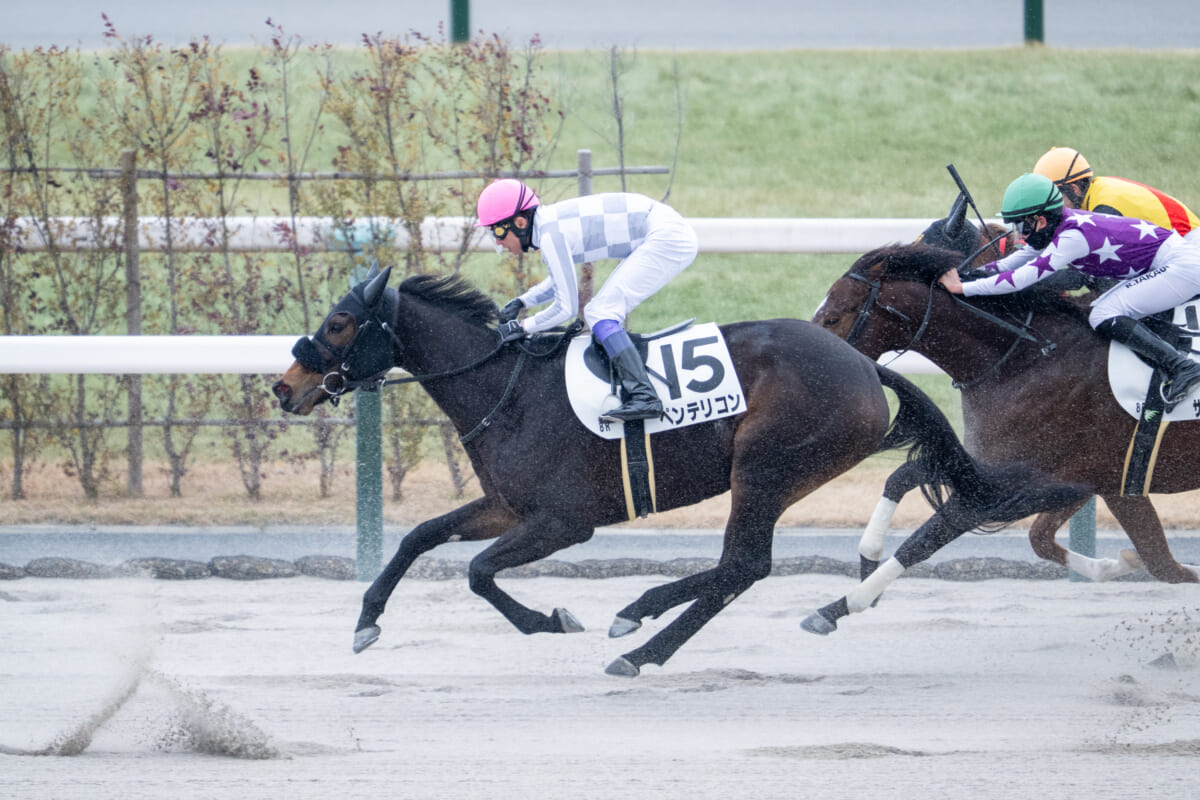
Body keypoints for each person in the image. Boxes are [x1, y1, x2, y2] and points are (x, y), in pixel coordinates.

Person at [938, 172, 1200, 409]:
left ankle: (1183, 368)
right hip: (1171, 262)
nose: (1019, 235)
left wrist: (963, 288)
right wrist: (966, 275)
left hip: (1182, 267)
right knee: (1100, 311)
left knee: (1103, 314)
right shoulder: (1056, 227)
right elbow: (1009, 264)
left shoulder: (1072, 237)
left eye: (1021, 226)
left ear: (1040, 220)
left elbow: (1021, 279)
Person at [475, 178, 699, 422]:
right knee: (598, 311)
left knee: (600, 312)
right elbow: (560, 279)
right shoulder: (549, 227)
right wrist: (522, 302)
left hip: (667, 236)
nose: (498, 241)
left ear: (520, 222)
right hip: (662, 229)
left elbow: (566, 308)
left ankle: (644, 396)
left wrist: (523, 327)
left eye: (497, 231)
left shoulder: (550, 235)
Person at [1033, 146, 1200, 241]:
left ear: (1074, 189)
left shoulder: (1105, 204)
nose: (1052, 208)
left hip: (1189, 245)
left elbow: (1093, 271)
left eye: (1054, 199)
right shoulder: (1097, 191)